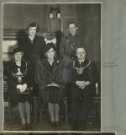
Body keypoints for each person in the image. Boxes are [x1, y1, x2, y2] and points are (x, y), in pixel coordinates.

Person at [18, 22, 45, 123]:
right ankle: (29, 117)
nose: (33, 32)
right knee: (28, 93)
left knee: (38, 93)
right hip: (28, 70)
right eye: (31, 30)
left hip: (38, 70)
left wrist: (40, 63)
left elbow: (44, 55)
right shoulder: (23, 40)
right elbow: (21, 55)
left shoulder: (41, 40)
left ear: (36, 30)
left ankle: (37, 116)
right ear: (28, 30)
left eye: (34, 30)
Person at [35, 43, 64, 127]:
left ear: (55, 52)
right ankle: (53, 119)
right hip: (44, 86)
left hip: (58, 85)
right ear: (45, 53)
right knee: (50, 92)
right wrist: (48, 83)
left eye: (52, 51)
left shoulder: (59, 62)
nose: (50, 53)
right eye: (48, 52)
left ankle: (56, 118)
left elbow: (62, 75)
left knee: (56, 91)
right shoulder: (40, 63)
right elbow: (38, 77)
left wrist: (56, 83)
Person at [69, 47, 98, 130]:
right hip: (76, 86)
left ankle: (82, 122)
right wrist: (77, 82)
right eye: (79, 53)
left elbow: (96, 77)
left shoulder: (91, 63)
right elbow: (69, 77)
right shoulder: (72, 64)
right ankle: (75, 122)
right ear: (76, 55)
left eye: (83, 52)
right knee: (74, 98)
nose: (81, 54)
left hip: (88, 86)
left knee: (86, 100)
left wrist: (86, 83)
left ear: (85, 54)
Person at [7, 48, 33, 129]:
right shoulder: (10, 66)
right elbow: (9, 80)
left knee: (27, 99)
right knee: (20, 99)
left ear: (22, 55)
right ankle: (23, 121)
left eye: (20, 55)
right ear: (14, 56)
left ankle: (28, 121)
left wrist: (25, 84)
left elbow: (30, 78)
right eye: (16, 55)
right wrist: (18, 86)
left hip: (25, 87)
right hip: (15, 88)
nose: (18, 56)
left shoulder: (26, 64)